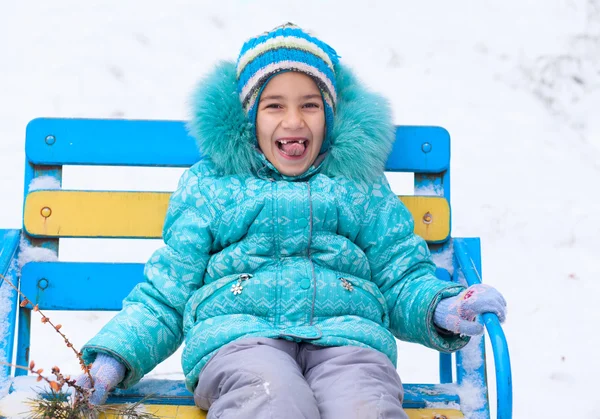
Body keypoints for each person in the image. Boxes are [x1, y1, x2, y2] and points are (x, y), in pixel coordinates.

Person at [77, 23, 507, 418]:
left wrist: (439, 306)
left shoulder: (359, 185)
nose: (293, 121)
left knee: (364, 404)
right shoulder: (213, 186)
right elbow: (167, 291)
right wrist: (117, 356)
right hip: (241, 342)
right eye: (273, 105)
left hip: (349, 344)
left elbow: (400, 274)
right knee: (271, 397)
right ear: (249, 118)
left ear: (330, 116)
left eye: (310, 105)